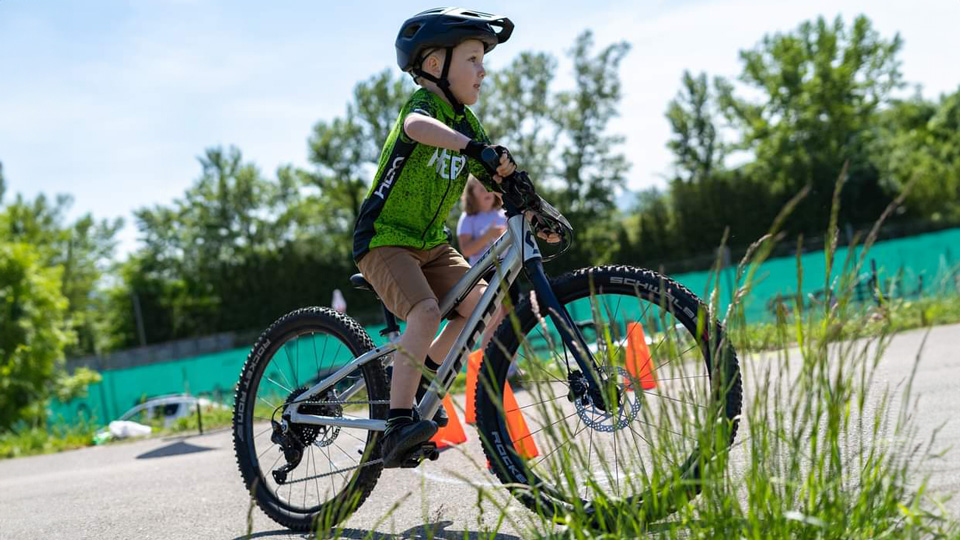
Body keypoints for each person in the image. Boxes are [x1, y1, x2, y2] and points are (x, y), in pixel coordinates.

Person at [352, 7, 519, 467]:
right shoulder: (426, 109)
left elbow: (495, 173)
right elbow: (415, 130)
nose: (483, 70)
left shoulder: (468, 124)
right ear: (433, 66)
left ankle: (423, 376)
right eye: (472, 58)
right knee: (425, 312)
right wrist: (470, 147)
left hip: (431, 244)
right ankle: (397, 422)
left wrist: (527, 197)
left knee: (487, 305)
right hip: (385, 239)